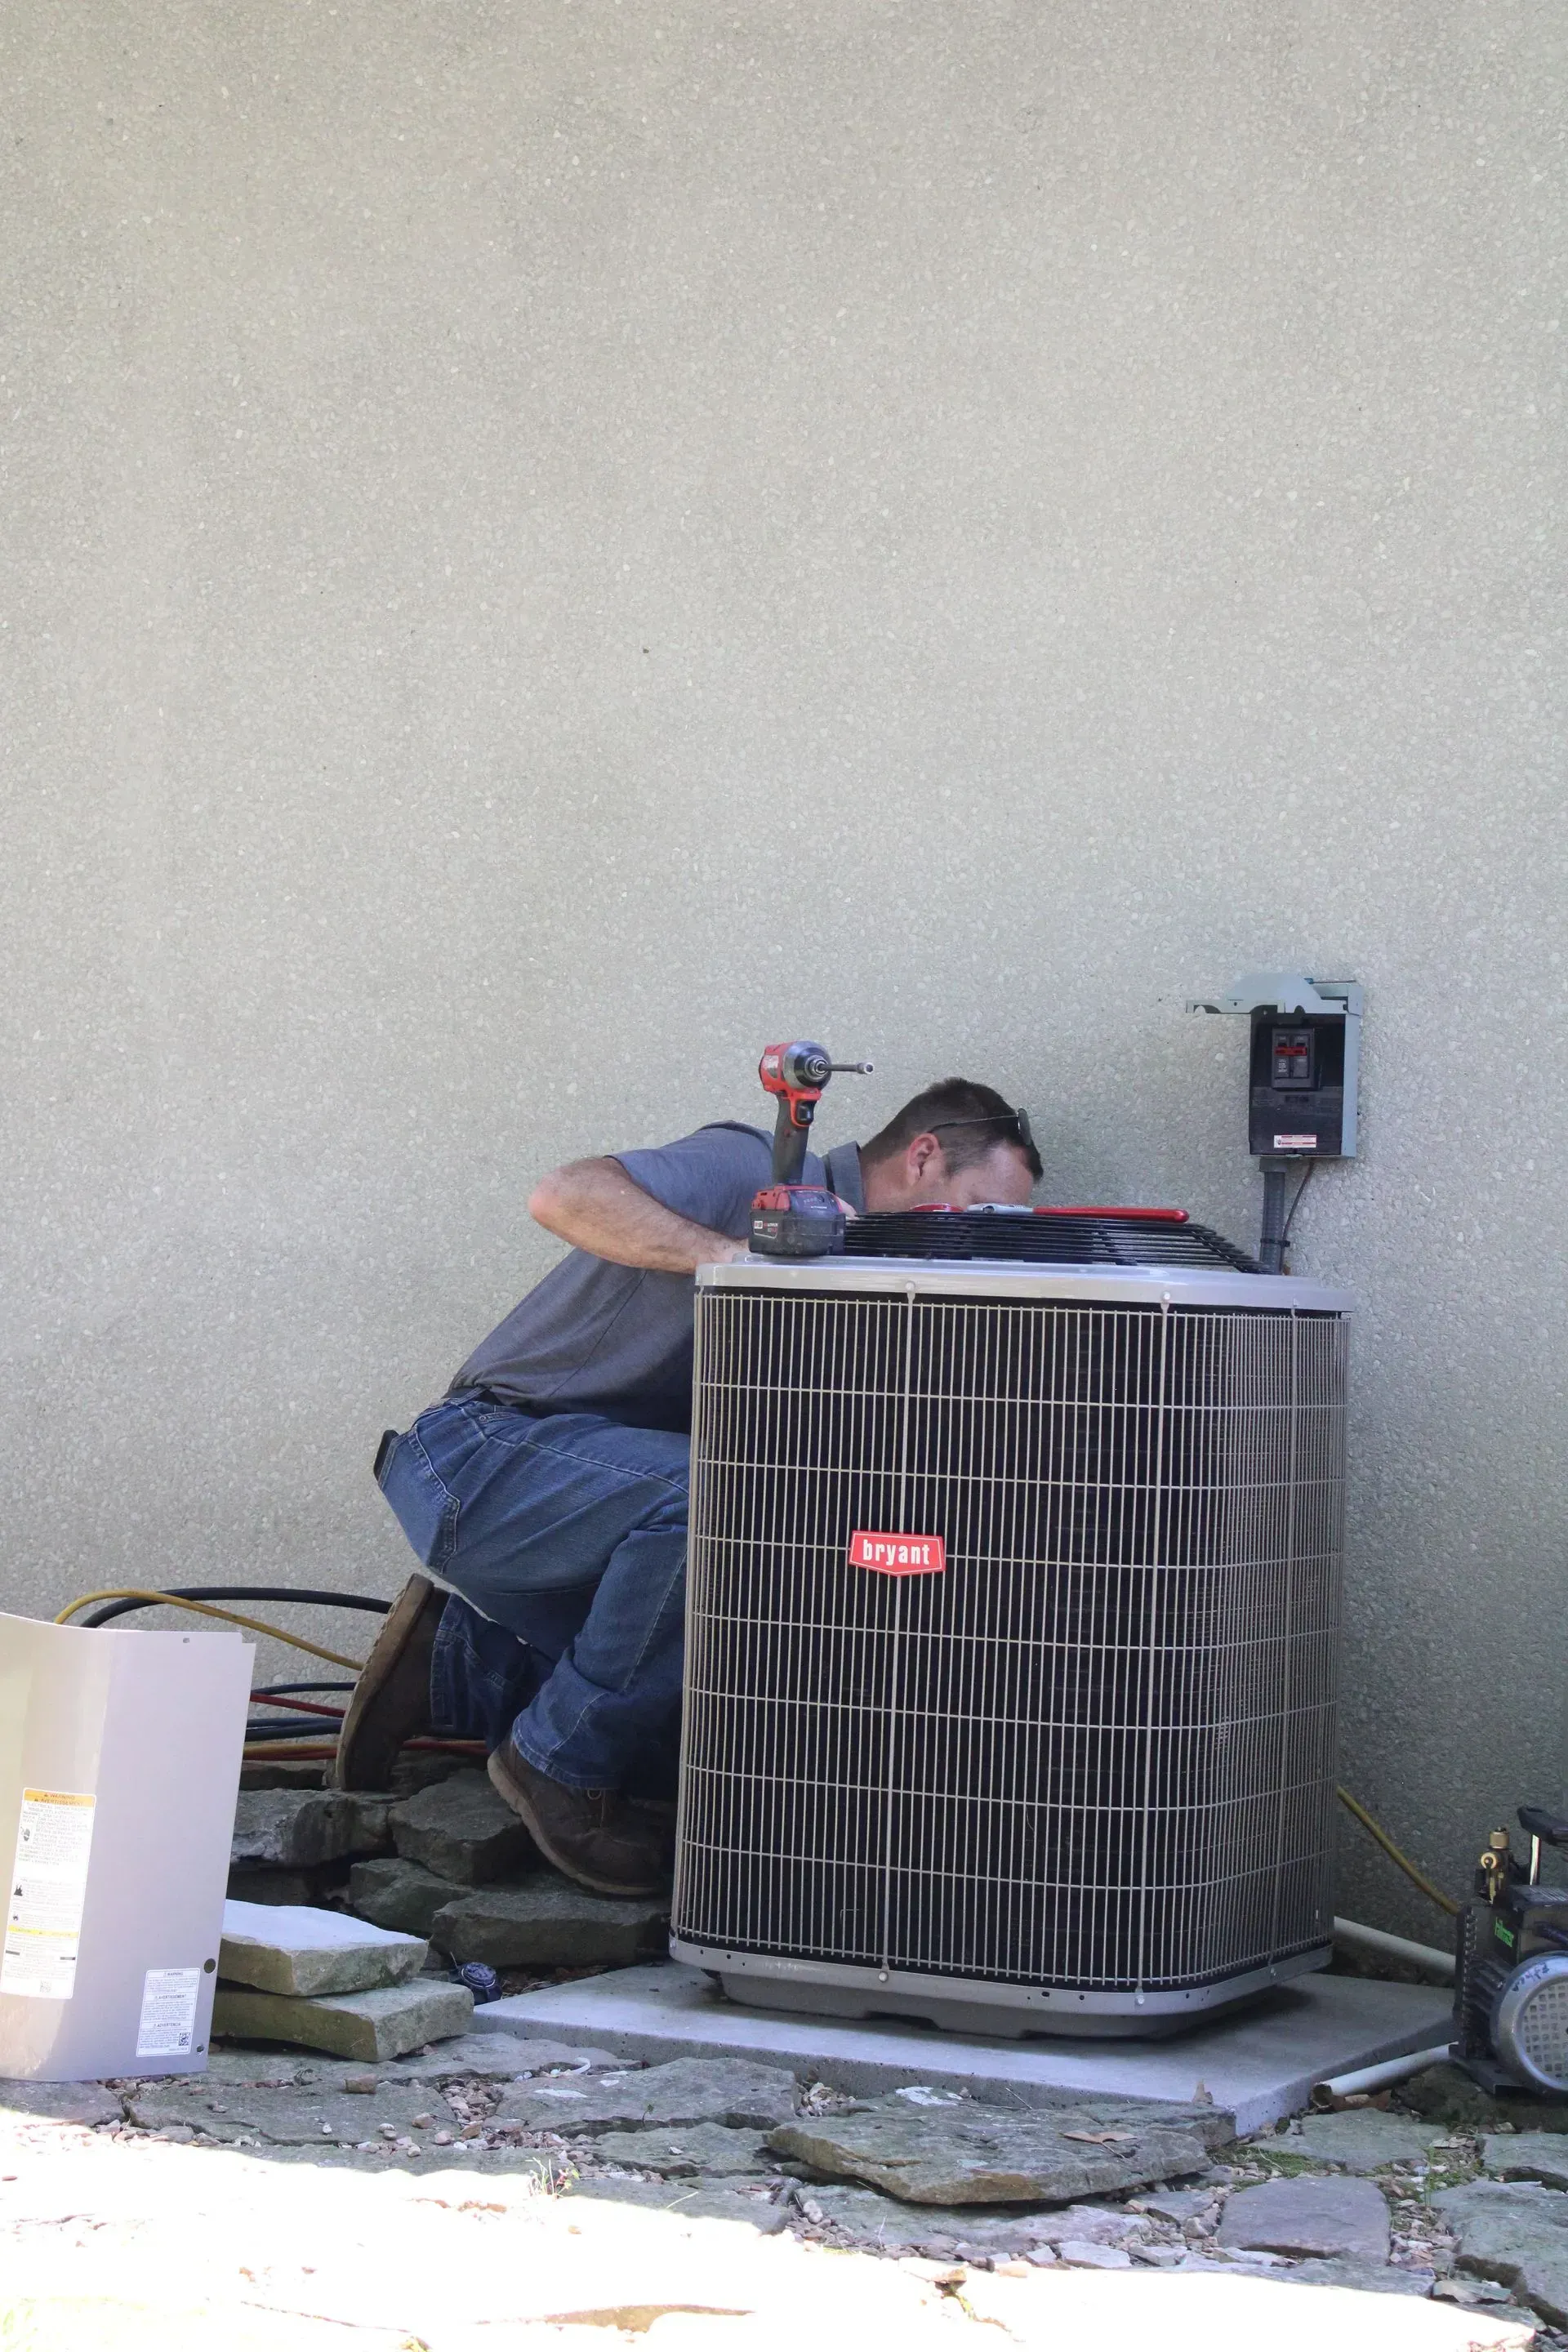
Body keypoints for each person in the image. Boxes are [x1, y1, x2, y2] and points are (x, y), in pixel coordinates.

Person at [335, 1076, 1041, 1895]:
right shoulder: (765, 1173)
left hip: (602, 1511)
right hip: (481, 1458)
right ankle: (554, 1762)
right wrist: (742, 1262)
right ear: (923, 1157)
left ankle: (458, 1666)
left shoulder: (861, 1275)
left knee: (740, 1682)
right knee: (734, 1505)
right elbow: (566, 1194)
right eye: (979, 1211)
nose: (980, 1247)